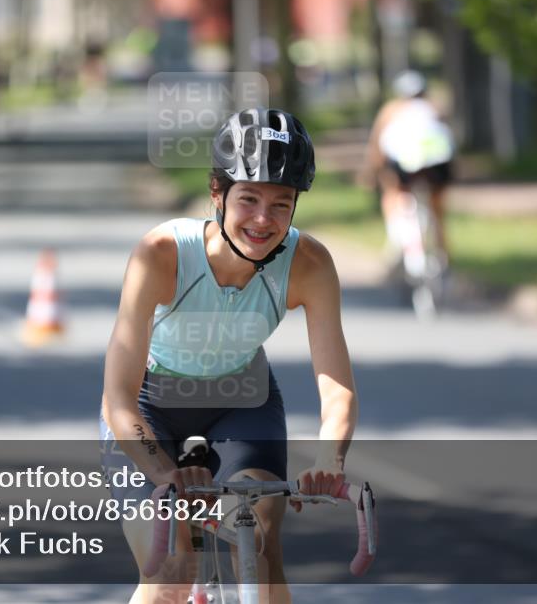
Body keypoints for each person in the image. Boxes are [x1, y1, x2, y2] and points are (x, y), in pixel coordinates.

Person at [101, 108, 359, 604]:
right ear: (216, 194)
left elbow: (337, 386)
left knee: (260, 546)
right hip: (149, 407)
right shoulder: (160, 254)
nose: (264, 220)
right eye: (249, 199)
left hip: (242, 401)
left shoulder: (310, 264)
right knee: (170, 571)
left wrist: (331, 457)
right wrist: (163, 471)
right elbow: (118, 398)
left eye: (281, 205)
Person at [365, 69, 455, 258]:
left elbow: (377, 144)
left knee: (393, 193)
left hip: (405, 163)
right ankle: (442, 248)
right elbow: (448, 139)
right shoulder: (435, 106)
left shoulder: (392, 109)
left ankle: (394, 242)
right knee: (437, 204)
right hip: (438, 163)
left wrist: (373, 171)